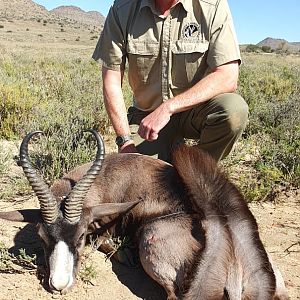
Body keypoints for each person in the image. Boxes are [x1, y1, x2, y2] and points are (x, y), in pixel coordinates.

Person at [92, 0, 248, 163]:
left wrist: (168, 108)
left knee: (234, 110)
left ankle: (193, 166)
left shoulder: (213, 6)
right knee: (137, 174)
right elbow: (112, 82)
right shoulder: (122, 9)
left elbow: (227, 76)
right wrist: (125, 142)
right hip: (146, 118)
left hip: (195, 111)